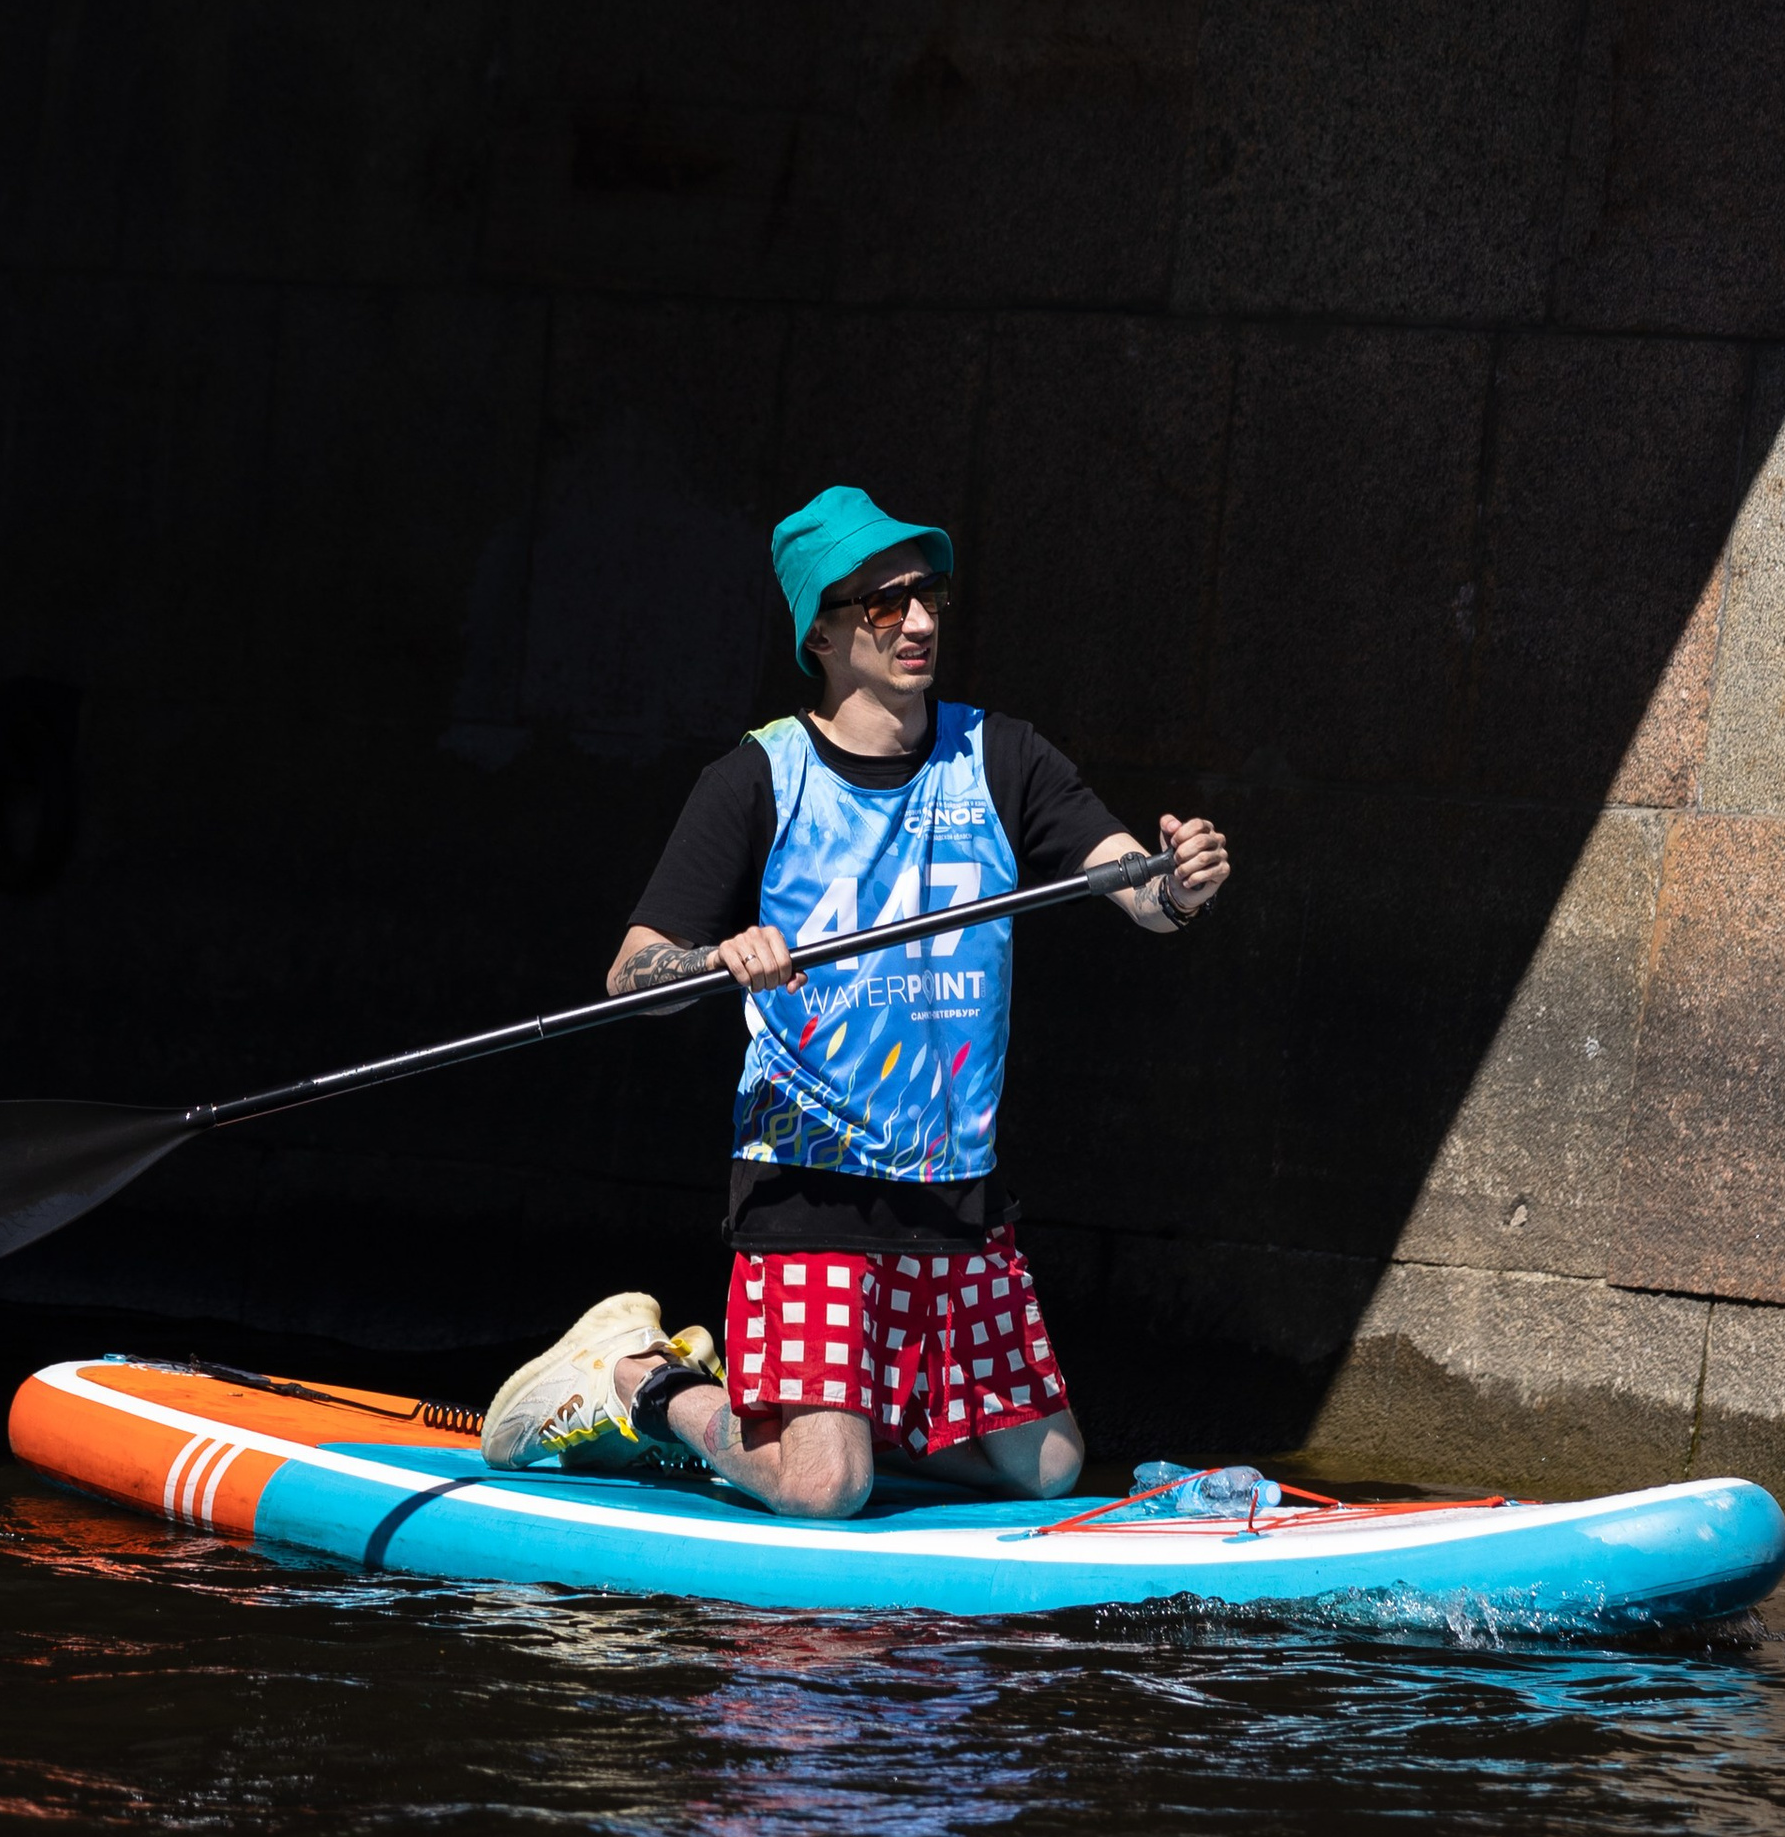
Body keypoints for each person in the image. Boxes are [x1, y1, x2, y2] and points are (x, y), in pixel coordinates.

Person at [481, 486, 1232, 1519]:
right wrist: (709, 961)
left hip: (952, 1186)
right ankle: (636, 1383)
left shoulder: (1000, 756)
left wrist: (1175, 884)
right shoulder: (759, 776)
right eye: (885, 605)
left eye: (928, 597)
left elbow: (1131, 885)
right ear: (824, 634)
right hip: (808, 1182)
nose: (919, 622)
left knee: (1047, 1468)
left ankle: (807, 1423)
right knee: (827, 1491)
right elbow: (631, 973)